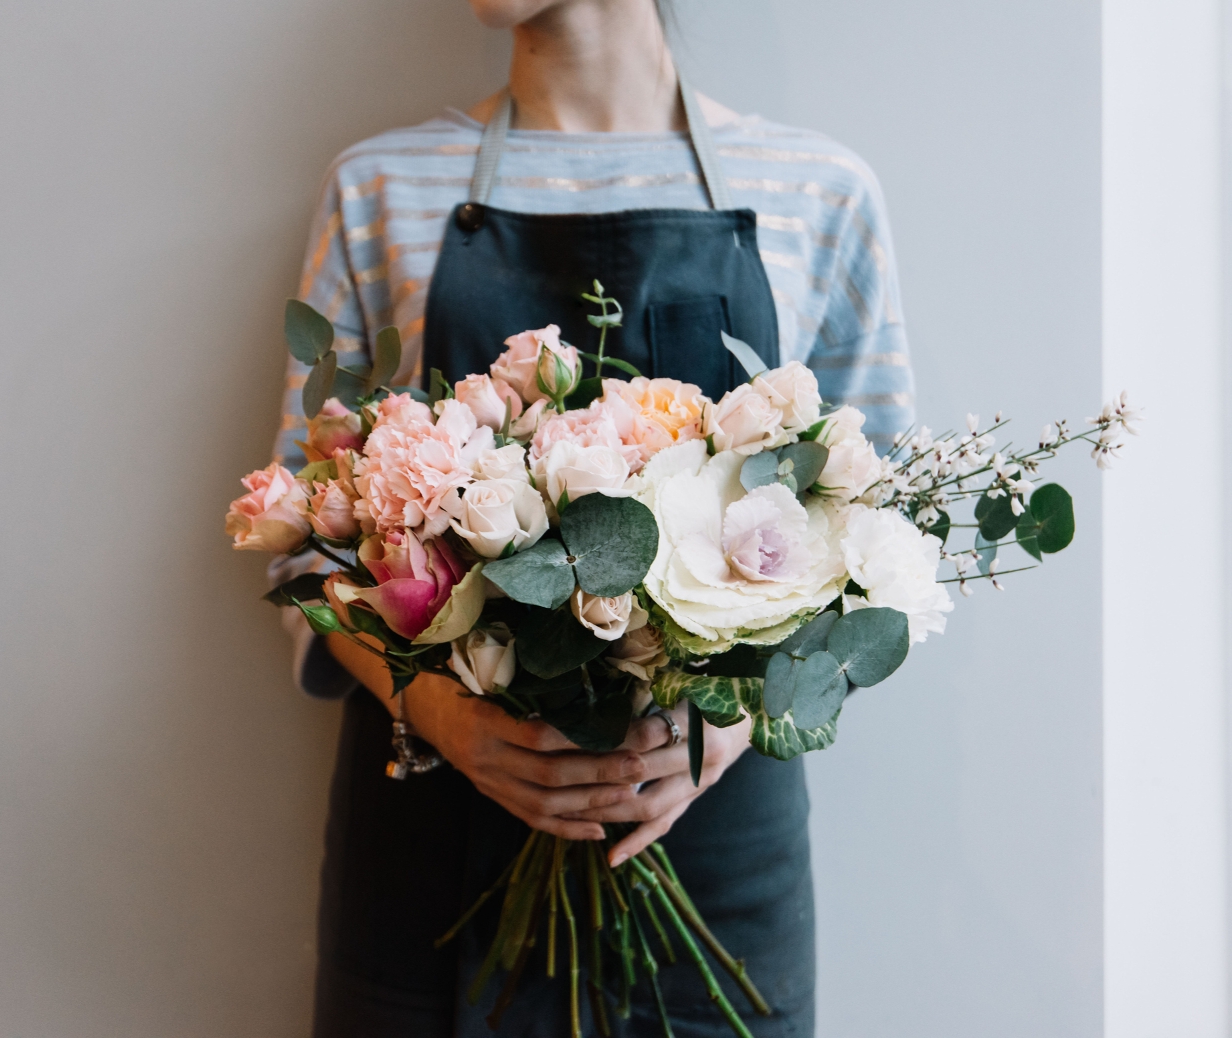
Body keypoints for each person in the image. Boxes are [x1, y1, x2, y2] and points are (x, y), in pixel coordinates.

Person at [269, 1, 914, 1034]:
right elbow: (304, 550)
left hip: (717, 865)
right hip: (433, 851)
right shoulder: (382, 188)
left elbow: (885, 549)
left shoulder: (817, 193)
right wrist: (448, 720)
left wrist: (724, 732)